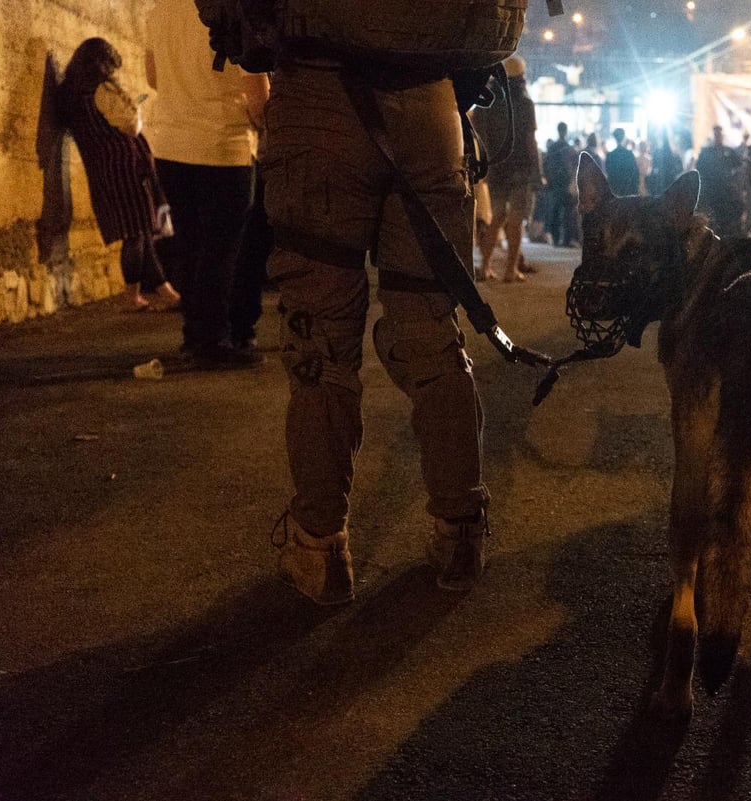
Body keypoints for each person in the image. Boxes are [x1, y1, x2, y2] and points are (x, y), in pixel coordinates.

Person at [196, 0, 519, 600]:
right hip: (433, 105)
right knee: (430, 327)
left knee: (319, 341)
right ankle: (460, 533)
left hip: (318, 96)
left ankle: (320, 550)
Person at [147, 0, 268, 368]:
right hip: (221, 145)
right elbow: (257, 92)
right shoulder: (234, 10)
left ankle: (195, 335)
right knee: (222, 250)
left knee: (191, 245)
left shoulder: (158, 11)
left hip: (169, 145)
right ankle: (213, 342)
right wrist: (256, 120)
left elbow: (153, 77)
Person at [58, 38, 180, 313]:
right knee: (136, 234)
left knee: (140, 230)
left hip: (103, 170)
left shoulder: (72, 97)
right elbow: (131, 126)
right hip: (126, 166)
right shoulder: (104, 90)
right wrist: (133, 105)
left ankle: (167, 292)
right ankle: (131, 295)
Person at [472, 56, 540, 282]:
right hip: (520, 168)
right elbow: (531, 140)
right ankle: (511, 270)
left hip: (496, 168)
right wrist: (537, 172)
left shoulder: (487, 103)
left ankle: (485, 267)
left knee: (495, 218)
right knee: (515, 220)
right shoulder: (525, 103)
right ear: (522, 78)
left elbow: (479, 136)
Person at [694, 125, 743, 237]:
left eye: (719, 134)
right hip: (712, 190)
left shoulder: (728, 151)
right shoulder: (706, 152)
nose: (718, 136)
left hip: (726, 191)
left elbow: (739, 166)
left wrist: (734, 182)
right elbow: (700, 169)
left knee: (725, 219)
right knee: (712, 217)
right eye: (716, 134)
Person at [543, 122, 579, 246]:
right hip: (566, 183)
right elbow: (575, 167)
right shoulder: (570, 149)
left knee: (555, 210)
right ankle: (567, 239)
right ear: (566, 131)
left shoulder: (552, 147)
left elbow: (546, 164)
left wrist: (548, 179)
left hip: (555, 184)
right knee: (568, 212)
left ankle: (556, 237)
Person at [604, 127, 640, 197]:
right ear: (623, 137)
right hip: (628, 190)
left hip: (615, 190)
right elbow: (635, 173)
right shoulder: (629, 154)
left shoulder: (610, 155)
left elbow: (609, 173)